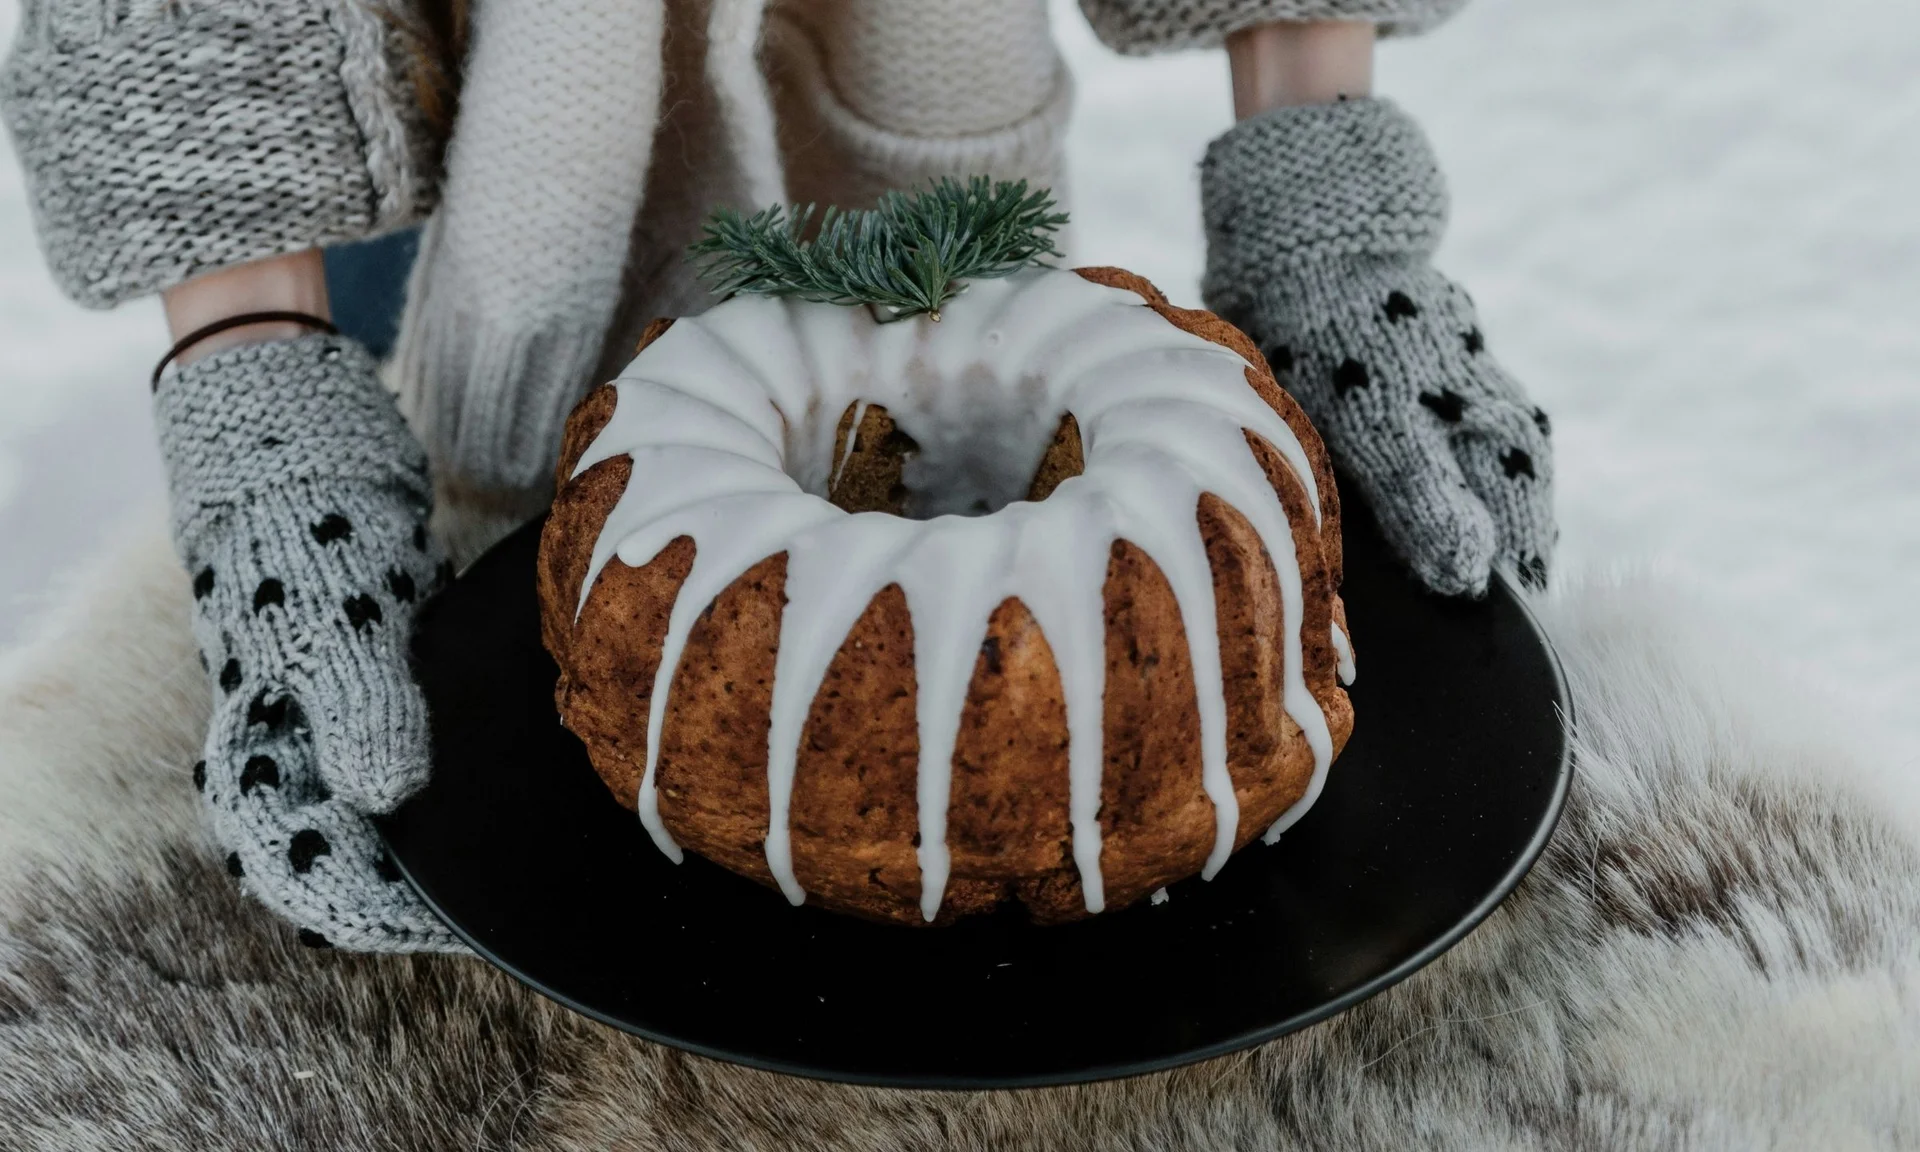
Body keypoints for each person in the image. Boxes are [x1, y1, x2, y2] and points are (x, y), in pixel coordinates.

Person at [0, 0, 1553, 953]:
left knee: (1017, 617)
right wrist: (269, 394)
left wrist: (1323, 187)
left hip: (940, 160)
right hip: (506, 146)